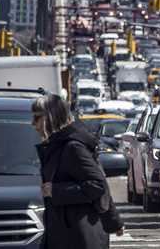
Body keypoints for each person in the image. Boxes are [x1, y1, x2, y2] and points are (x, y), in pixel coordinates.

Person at [32, 94, 124, 249]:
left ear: (51, 118)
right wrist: (113, 222)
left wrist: (56, 191)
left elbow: (98, 185)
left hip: (78, 237)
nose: (33, 124)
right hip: (66, 234)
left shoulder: (72, 148)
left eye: (37, 118)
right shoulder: (59, 146)